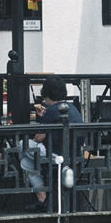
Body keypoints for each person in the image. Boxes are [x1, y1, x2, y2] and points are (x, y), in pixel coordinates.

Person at [19, 76, 82, 213]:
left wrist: (42, 119)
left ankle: (42, 197)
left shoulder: (53, 109)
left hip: (56, 157)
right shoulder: (73, 109)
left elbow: (38, 138)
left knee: (22, 144)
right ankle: (41, 198)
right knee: (26, 163)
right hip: (76, 158)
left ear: (46, 94)